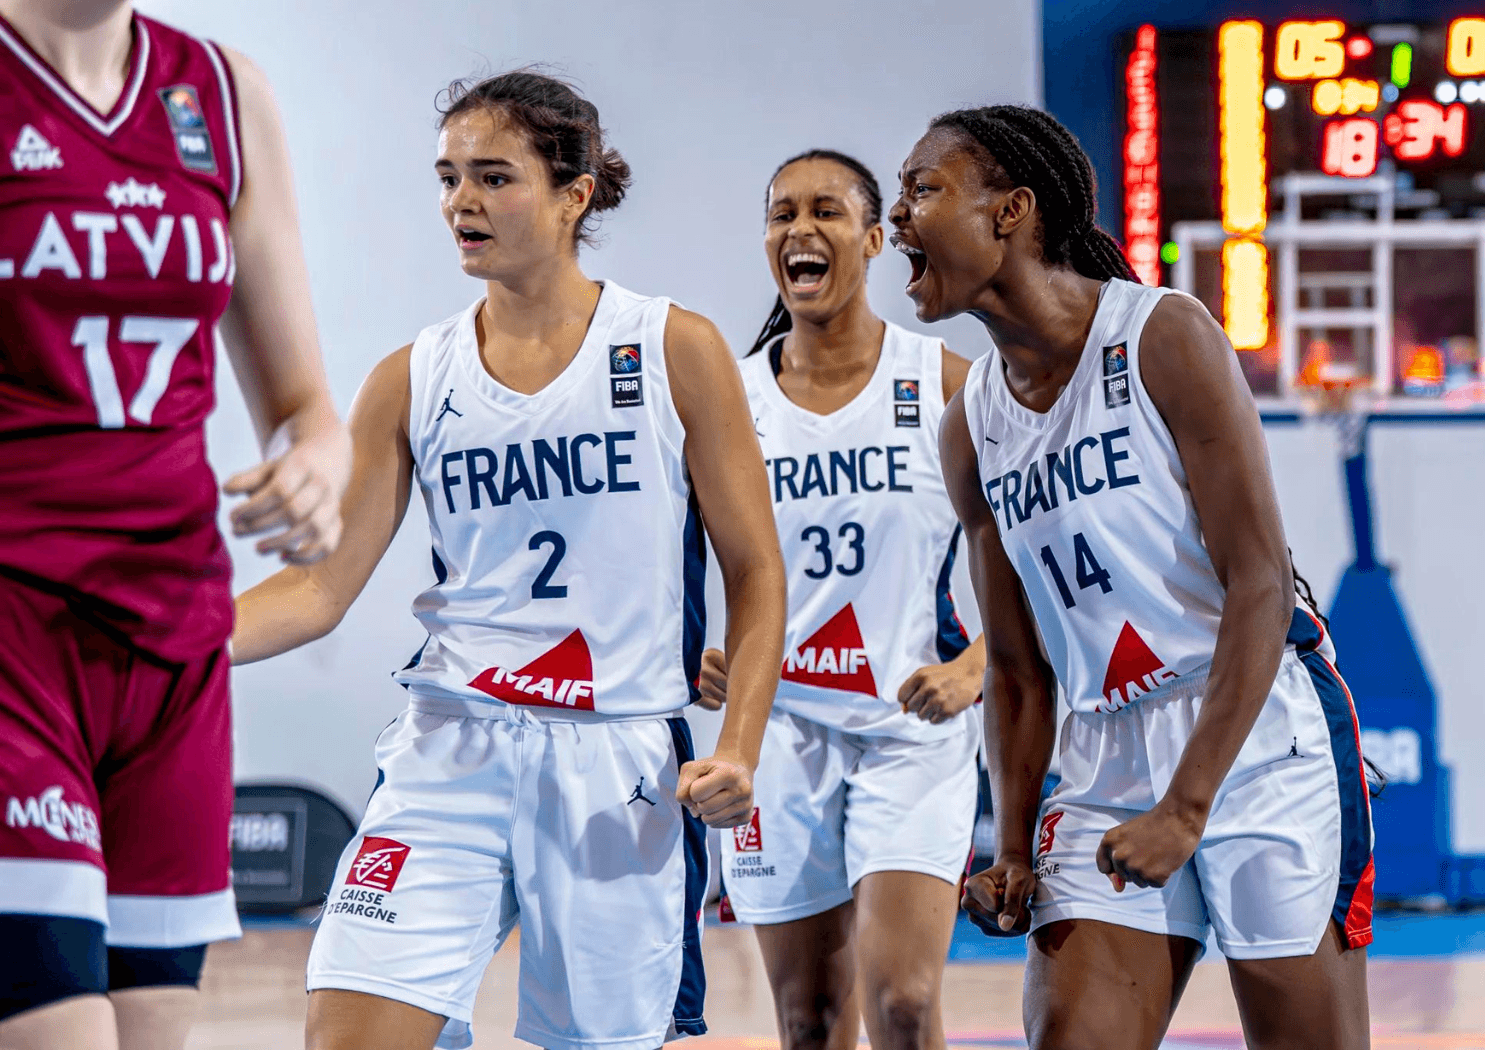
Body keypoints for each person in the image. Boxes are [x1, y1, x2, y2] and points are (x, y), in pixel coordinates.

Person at [230, 70, 787, 1050]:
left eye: (493, 177)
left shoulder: (671, 348)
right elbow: (322, 586)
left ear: (574, 194)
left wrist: (738, 741)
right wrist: (179, 639)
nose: (461, 202)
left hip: (614, 759)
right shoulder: (413, 375)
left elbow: (755, 571)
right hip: (452, 745)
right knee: (349, 1035)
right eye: (449, 177)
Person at [896, 105, 1372, 1050]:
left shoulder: (1163, 336)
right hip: (1104, 751)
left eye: (922, 190)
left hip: (1253, 731)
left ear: (1010, 211)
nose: (898, 218)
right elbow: (1022, 671)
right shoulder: (971, 425)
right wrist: (1016, 841)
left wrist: (1188, 805)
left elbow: (1261, 588)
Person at [0, 1, 350, 1047]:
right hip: (18, 626)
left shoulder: (224, 92)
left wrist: (318, 467)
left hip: (170, 650)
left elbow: (304, 406)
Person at [697, 149, 984, 1050]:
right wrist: (694, 649)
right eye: (781, 214)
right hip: (777, 734)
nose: (798, 230)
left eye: (825, 210)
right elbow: (656, 554)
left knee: (901, 1002)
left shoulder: (943, 383)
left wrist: (975, 666)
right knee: (808, 1021)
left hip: (911, 734)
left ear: (871, 238)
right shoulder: (726, 398)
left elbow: (1033, 556)